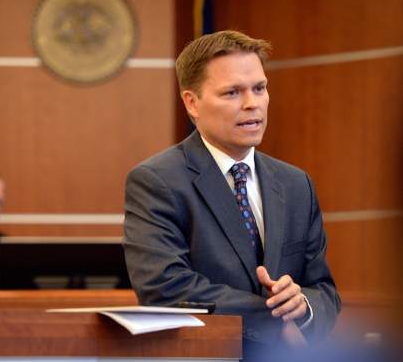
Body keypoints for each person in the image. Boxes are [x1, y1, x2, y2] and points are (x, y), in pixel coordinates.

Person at [123, 30, 341, 351]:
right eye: (232, 93)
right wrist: (274, 314)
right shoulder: (157, 181)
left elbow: (323, 290)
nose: (253, 104)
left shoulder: (296, 184)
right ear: (192, 103)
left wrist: (303, 305)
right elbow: (165, 287)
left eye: (260, 88)